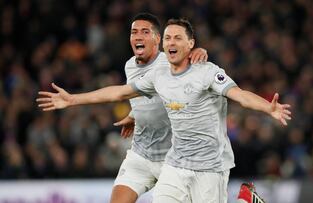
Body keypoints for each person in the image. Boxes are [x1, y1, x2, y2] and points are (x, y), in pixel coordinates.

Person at [36, 18, 291, 203]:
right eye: (169, 37)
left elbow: (240, 96)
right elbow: (119, 92)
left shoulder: (207, 71)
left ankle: (247, 200)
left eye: (177, 38)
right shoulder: (156, 75)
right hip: (174, 163)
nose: (171, 42)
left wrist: (267, 108)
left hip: (209, 166)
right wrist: (73, 100)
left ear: (190, 44)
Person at [39, 13, 208, 203]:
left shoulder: (170, 63)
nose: (138, 37)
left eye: (145, 32)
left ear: (157, 39)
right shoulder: (130, 66)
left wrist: (198, 52)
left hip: (173, 160)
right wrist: (135, 113)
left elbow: (119, 93)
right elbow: (140, 94)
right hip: (141, 155)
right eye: (134, 32)